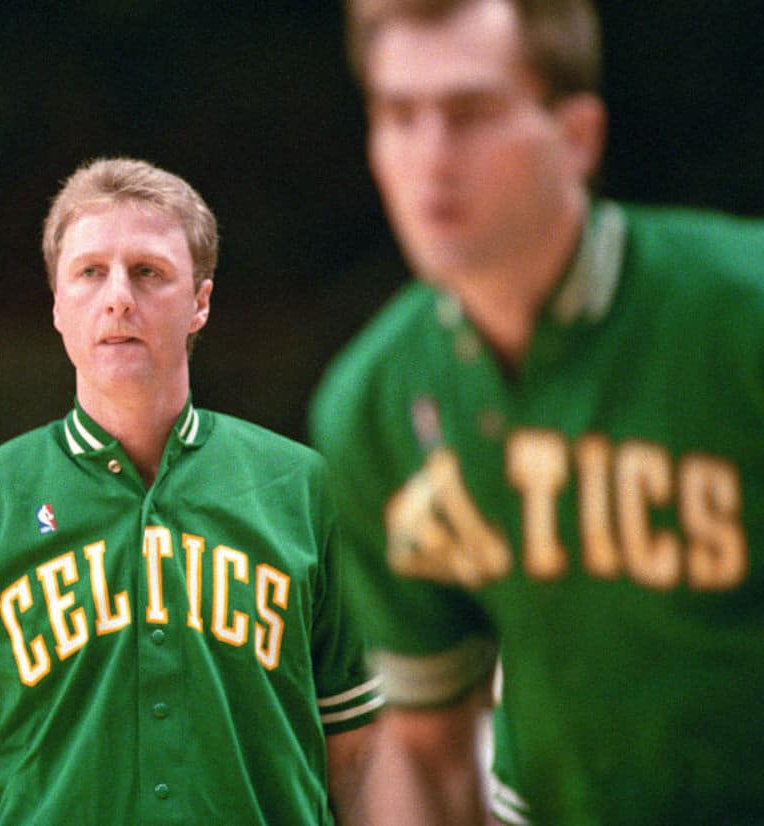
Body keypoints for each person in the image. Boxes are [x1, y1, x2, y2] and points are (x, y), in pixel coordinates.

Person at [309, 0, 764, 823]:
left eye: (472, 114)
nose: (430, 159)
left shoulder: (740, 315)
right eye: (398, 116)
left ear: (578, 136)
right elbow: (425, 746)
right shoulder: (374, 404)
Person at [0, 157, 381, 825]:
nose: (118, 298)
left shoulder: (306, 489)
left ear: (200, 302)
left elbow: (363, 756)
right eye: (89, 273)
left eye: (148, 272)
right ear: (56, 304)